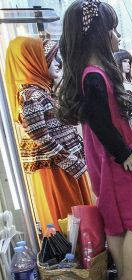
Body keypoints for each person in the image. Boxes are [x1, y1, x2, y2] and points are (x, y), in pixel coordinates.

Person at [58, 0, 132, 280]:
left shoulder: (93, 73)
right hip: (119, 161)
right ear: (98, 34)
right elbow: (101, 121)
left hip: (111, 159)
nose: (116, 35)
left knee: (117, 225)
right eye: (112, 29)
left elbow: (109, 119)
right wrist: (123, 152)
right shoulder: (94, 75)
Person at [4, 37, 93, 233]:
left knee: (79, 215)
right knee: (68, 216)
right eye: (50, 59)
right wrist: (71, 160)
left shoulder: (42, 91)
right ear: (34, 63)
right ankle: (76, 259)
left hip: (64, 165)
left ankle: (87, 256)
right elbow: (41, 137)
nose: (57, 63)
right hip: (56, 170)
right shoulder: (30, 96)